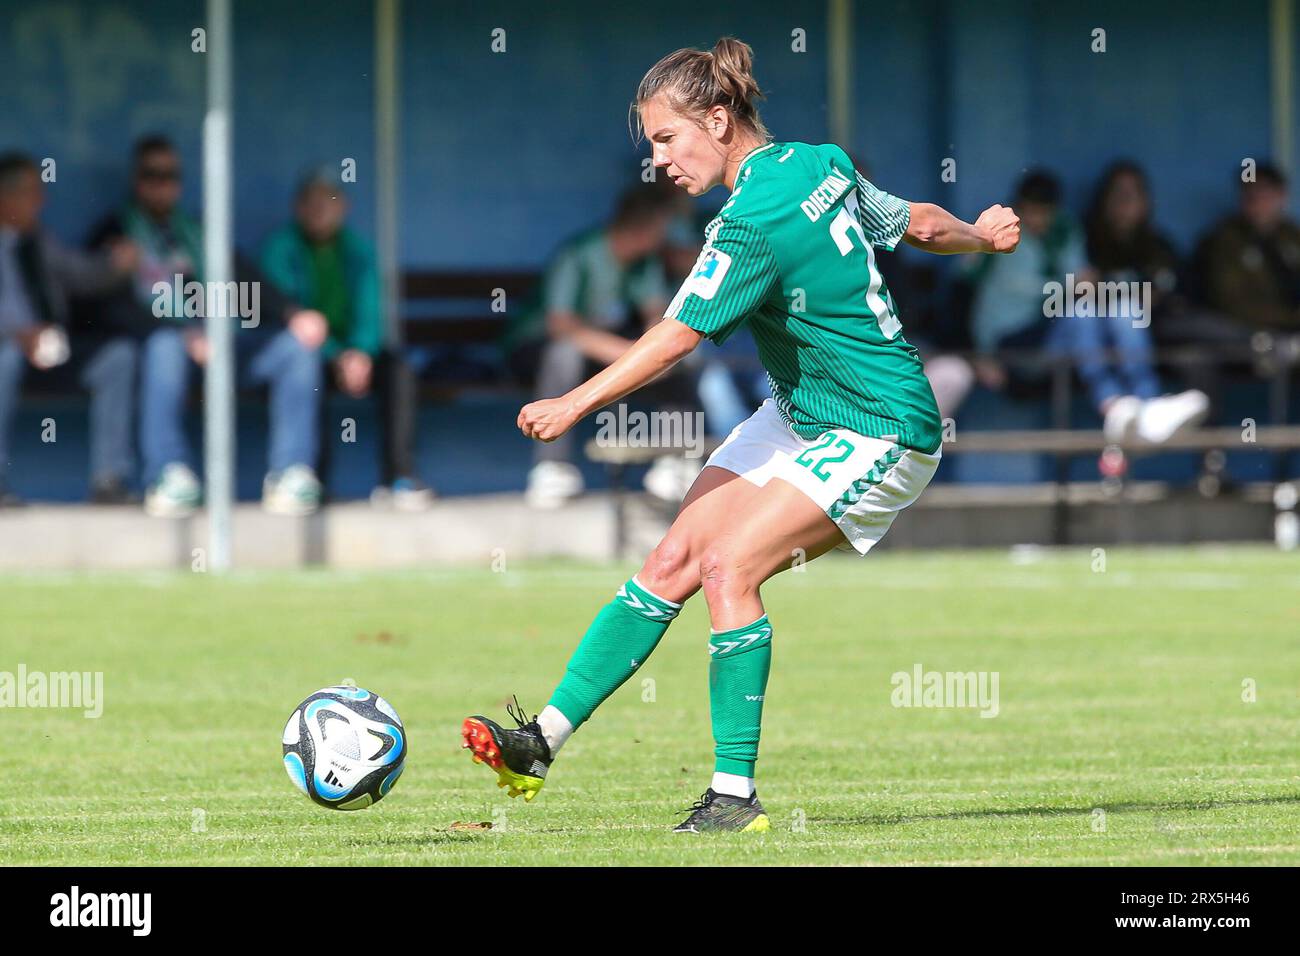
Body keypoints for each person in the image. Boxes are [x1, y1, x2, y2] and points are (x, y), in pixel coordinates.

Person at [459, 38, 1019, 832]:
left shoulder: (748, 220)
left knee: (728, 567)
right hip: (802, 412)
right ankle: (540, 742)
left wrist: (571, 404)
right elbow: (918, 224)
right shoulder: (815, 162)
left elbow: (676, 336)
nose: (658, 162)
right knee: (673, 560)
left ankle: (733, 798)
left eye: (665, 139)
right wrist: (981, 235)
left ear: (718, 121)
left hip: (882, 428)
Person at [88, 135, 329, 517]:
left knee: (295, 350)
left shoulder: (197, 230)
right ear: (137, 180)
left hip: (224, 345)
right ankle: (167, 473)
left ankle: (289, 473)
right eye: (152, 174)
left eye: (171, 175)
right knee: (163, 346)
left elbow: (248, 277)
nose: (162, 183)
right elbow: (105, 308)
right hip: (165, 355)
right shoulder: (114, 231)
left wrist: (292, 314)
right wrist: (182, 333)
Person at [970, 170, 1206, 444]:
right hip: (1010, 347)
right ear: (1018, 206)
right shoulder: (994, 236)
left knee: (1118, 312)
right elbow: (965, 296)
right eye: (1030, 209)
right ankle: (1113, 402)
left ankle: (1145, 403)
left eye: (1044, 210)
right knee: (1080, 314)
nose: (1037, 218)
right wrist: (978, 354)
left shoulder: (1064, 230)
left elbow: (1080, 281)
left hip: (1050, 336)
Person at [501, 185, 701, 508]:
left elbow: (655, 315)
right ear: (643, 228)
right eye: (662, 229)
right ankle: (552, 468)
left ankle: (675, 459)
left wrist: (654, 352)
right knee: (564, 353)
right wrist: (628, 355)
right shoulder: (580, 254)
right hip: (536, 350)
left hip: (600, 351)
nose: (667, 239)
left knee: (675, 357)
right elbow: (561, 326)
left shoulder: (644, 263)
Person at [261, 169, 432, 509]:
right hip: (311, 353)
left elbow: (371, 311)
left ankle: (398, 478)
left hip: (355, 354)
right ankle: (312, 480)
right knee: (305, 370)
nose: (319, 208)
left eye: (329, 200)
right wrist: (337, 355)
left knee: (399, 370)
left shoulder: (359, 250)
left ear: (344, 207)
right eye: (311, 201)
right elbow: (287, 318)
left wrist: (361, 353)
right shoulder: (280, 248)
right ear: (298, 207)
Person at [0, 151, 138, 505]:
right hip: (9, 352)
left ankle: (110, 480)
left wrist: (115, 265)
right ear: (6, 196)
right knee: (5, 359)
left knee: (118, 357)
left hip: (52, 351)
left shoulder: (37, 240)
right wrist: (16, 334)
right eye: (32, 192)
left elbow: (80, 275)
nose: (41, 201)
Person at [1198, 163, 1300, 332]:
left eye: (1266, 194)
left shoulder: (1292, 235)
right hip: (1251, 334)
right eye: (1250, 195)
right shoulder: (1224, 241)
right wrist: (1290, 317)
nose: (1258, 202)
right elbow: (1230, 302)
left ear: (1282, 196)